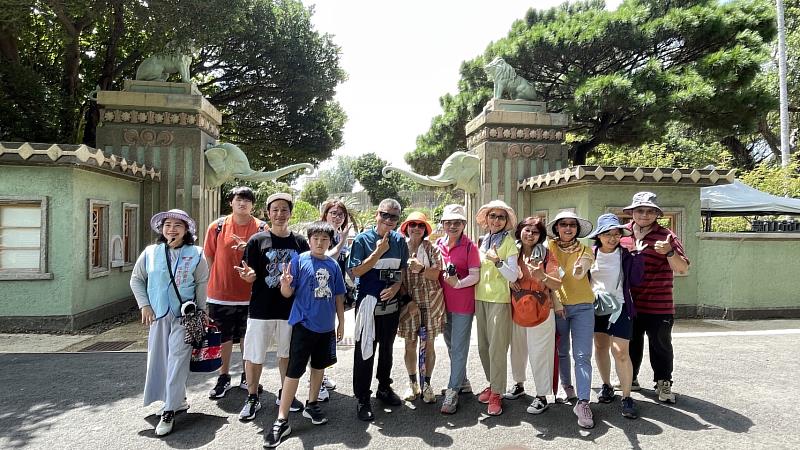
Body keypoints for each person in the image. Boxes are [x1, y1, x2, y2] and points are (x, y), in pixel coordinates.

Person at [263, 221, 346, 448]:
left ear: (331, 242)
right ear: (309, 240)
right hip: (303, 325)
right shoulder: (299, 260)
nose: (320, 243)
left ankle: (312, 404)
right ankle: (282, 418)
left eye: (325, 239)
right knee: (294, 371)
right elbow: (287, 293)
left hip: (326, 327)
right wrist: (285, 284)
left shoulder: (333, 265)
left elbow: (339, 296)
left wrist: (341, 323)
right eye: (316, 239)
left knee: (319, 367)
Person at [130, 209, 209, 436]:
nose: (171, 229)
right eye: (168, 225)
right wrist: (144, 305)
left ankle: (169, 410)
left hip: (186, 316)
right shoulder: (151, 252)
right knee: (160, 360)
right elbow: (137, 279)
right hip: (158, 315)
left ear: (186, 231)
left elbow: (201, 284)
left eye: (178, 225)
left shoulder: (196, 253)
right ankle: (178, 400)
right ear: (161, 229)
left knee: (177, 359)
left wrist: (202, 311)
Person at [237, 193, 310, 421]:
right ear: (268, 213)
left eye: (284, 210)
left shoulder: (300, 243)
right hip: (261, 309)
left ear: (290, 213)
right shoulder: (257, 241)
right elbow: (249, 275)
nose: (279, 214)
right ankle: (252, 396)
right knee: (254, 355)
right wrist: (248, 277)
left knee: (286, 354)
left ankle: (284, 394)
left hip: (290, 310)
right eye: (275, 210)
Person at [619, 192, 689, 404]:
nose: (644, 215)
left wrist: (669, 253)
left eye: (650, 211)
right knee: (631, 343)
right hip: (629, 303)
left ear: (657, 214)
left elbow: (683, 269)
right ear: (632, 212)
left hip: (659, 304)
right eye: (640, 210)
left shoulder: (667, 236)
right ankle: (630, 379)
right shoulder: (622, 234)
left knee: (660, 345)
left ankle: (663, 382)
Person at [204, 186, 267, 399]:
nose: (243, 203)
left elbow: (267, 261)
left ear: (253, 205)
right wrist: (220, 276)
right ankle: (223, 376)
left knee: (248, 337)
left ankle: (247, 376)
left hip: (252, 295)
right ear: (231, 202)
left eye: (248, 200)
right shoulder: (217, 227)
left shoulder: (262, 229)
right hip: (220, 293)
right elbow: (210, 257)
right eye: (239, 199)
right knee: (223, 336)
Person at [349, 199, 408, 421]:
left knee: (387, 350)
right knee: (364, 352)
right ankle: (362, 397)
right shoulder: (363, 240)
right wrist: (378, 252)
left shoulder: (400, 240)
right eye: (385, 215)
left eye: (394, 217)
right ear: (377, 214)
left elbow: (402, 269)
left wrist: (395, 287)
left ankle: (384, 387)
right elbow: (356, 271)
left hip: (391, 307)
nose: (389, 220)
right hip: (367, 307)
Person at [588, 213, 645, 419]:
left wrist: (638, 257)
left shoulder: (627, 255)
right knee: (601, 347)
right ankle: (606, 385)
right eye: (607, 234)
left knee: (621, 352)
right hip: (596, 309)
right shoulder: (589, 254)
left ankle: (627, 396)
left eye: (616, 233)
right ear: (599, 236)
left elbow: (638, 280)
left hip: (620, 307)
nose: (612, 238)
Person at [506, 217, 563, 415]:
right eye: (526, 230)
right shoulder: (512, 252)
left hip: (541, 309)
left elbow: (556, 284)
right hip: (517, 307)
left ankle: (541, 396)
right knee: (518, 351)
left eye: (535, 232)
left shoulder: (547, 255)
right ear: (520, 231)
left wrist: (543, 277)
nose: (530, 234)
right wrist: (508, 282)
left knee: (541, 353)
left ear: (541, 236)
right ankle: (519, 384)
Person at [546, 211, 595, 429]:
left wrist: (578, 268)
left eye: (572, 225)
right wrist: (557, 303)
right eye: (563, 224)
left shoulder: (585, 250)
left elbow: (582, 268)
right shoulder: (549, 249)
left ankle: (583, 402)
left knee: (583, 355)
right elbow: (547, 278)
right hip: (559, 308)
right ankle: (567, 386)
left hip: (584, 306)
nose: (568, 228)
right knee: (562, 350)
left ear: (577, 229)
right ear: (556, 228)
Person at [474, 200, 518, 416]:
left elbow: (514, 275)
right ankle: (493, 384)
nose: (496, 220)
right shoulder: (482, 241)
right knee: (483, 346)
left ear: (506, 221)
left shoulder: (510, 243)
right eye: (493, 216)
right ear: (487, 219)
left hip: (500, 300)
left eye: (501, 217)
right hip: (480, 298)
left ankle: (497, 393)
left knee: (497, 348)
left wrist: (498, 260)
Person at [436, 204, 480, 414]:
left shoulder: (470, 247)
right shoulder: (438, 244)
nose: (452, 226)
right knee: (451, 344)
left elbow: (475, 275)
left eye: (457, 222)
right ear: (443, 224)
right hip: (442, 303)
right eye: (449, 222)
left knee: (459, 346)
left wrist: (459, 283)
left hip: (463, 303)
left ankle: (453, 391)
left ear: (464, 225)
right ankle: (462, 381)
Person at [397, 212, 445, 404]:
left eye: (420, 225)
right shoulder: (400, 249)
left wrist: (421, 269)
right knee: (410, 344)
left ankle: (427, 384)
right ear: (406, 228)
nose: (416, 228)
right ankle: (412, 383)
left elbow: (436, 275)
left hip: (431, 301)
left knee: (429, 345)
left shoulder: (432, 249)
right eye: (412, 224)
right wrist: (408, 301)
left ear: (425, 229)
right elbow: (396, 279)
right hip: (410, 302)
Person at [317, 199, 354, 399]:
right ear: (325, 215)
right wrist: (342, 242)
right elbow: (325, 258)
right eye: (333, 213)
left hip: (333, 294)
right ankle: (316, 380)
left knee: (328, 335)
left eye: (341, 214)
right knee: (318, 337)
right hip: (318, 294)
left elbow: (347, 266)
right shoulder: (320, 233)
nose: (337, 217)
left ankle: (322, 375)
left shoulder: (339, 235)